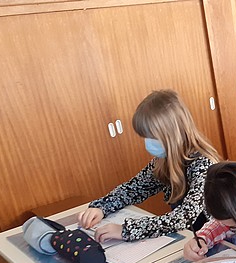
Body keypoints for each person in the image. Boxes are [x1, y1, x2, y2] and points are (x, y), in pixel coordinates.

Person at [78, 90, 221, 242]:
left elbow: (184, 217)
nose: (148, 143)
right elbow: (133, 189)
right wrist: (102, 207)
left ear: (172, 133)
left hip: (217, 241)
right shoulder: (164, 161)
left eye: (152, 137)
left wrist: (127, 230)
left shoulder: (203, 164)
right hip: (192, 240)